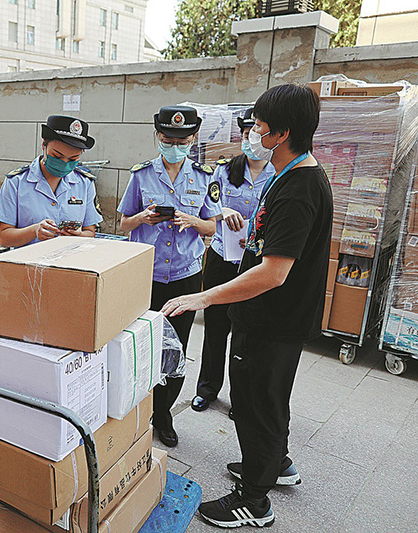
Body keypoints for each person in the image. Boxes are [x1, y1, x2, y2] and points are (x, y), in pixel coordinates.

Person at [162, 84, 331, 528]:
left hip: (272, 318)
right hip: (273, 317)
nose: (252, 132)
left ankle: (254, 500)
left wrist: (205, 296)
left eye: (259, 125)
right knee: (269, 398)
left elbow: (274, 272)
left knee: (257, 402)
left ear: (282, 132)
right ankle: (275, 464)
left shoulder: (298, 187)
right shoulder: (292, 174)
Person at [117, 105, 222, 448]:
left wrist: (193, 221)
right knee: (139, 344)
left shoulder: (206, 177)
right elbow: (122, 224)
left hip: (184, 277)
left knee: (175, 347)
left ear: (193, 139)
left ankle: (164, 414)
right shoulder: (141, 174)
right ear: (157, 137)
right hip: (145, 273)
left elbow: (212, 225)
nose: (174, 144)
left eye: (181, 139)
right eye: (167, 138)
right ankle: (138, 409)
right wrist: (142, 219)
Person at [191, 108, 275, 415]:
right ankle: (207, 389)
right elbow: (209, 202)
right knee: (215, 326)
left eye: (257, 133)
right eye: (246, 134)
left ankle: (241, 398)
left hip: (254, 263)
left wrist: (255, 231)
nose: (251, 139)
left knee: (246, 332)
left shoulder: (278, 175)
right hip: (221, 258)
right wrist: (222, 212)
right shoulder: (224, 171)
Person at [0, 115, 102, 247]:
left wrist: (77, 235)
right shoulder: (16, 182)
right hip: (28, 263)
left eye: (73, 159)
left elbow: (90, 233)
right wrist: (33, 231)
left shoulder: (85, 184)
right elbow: (4, 238)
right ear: (44, 145)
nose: (64, 163)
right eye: (57, 156)